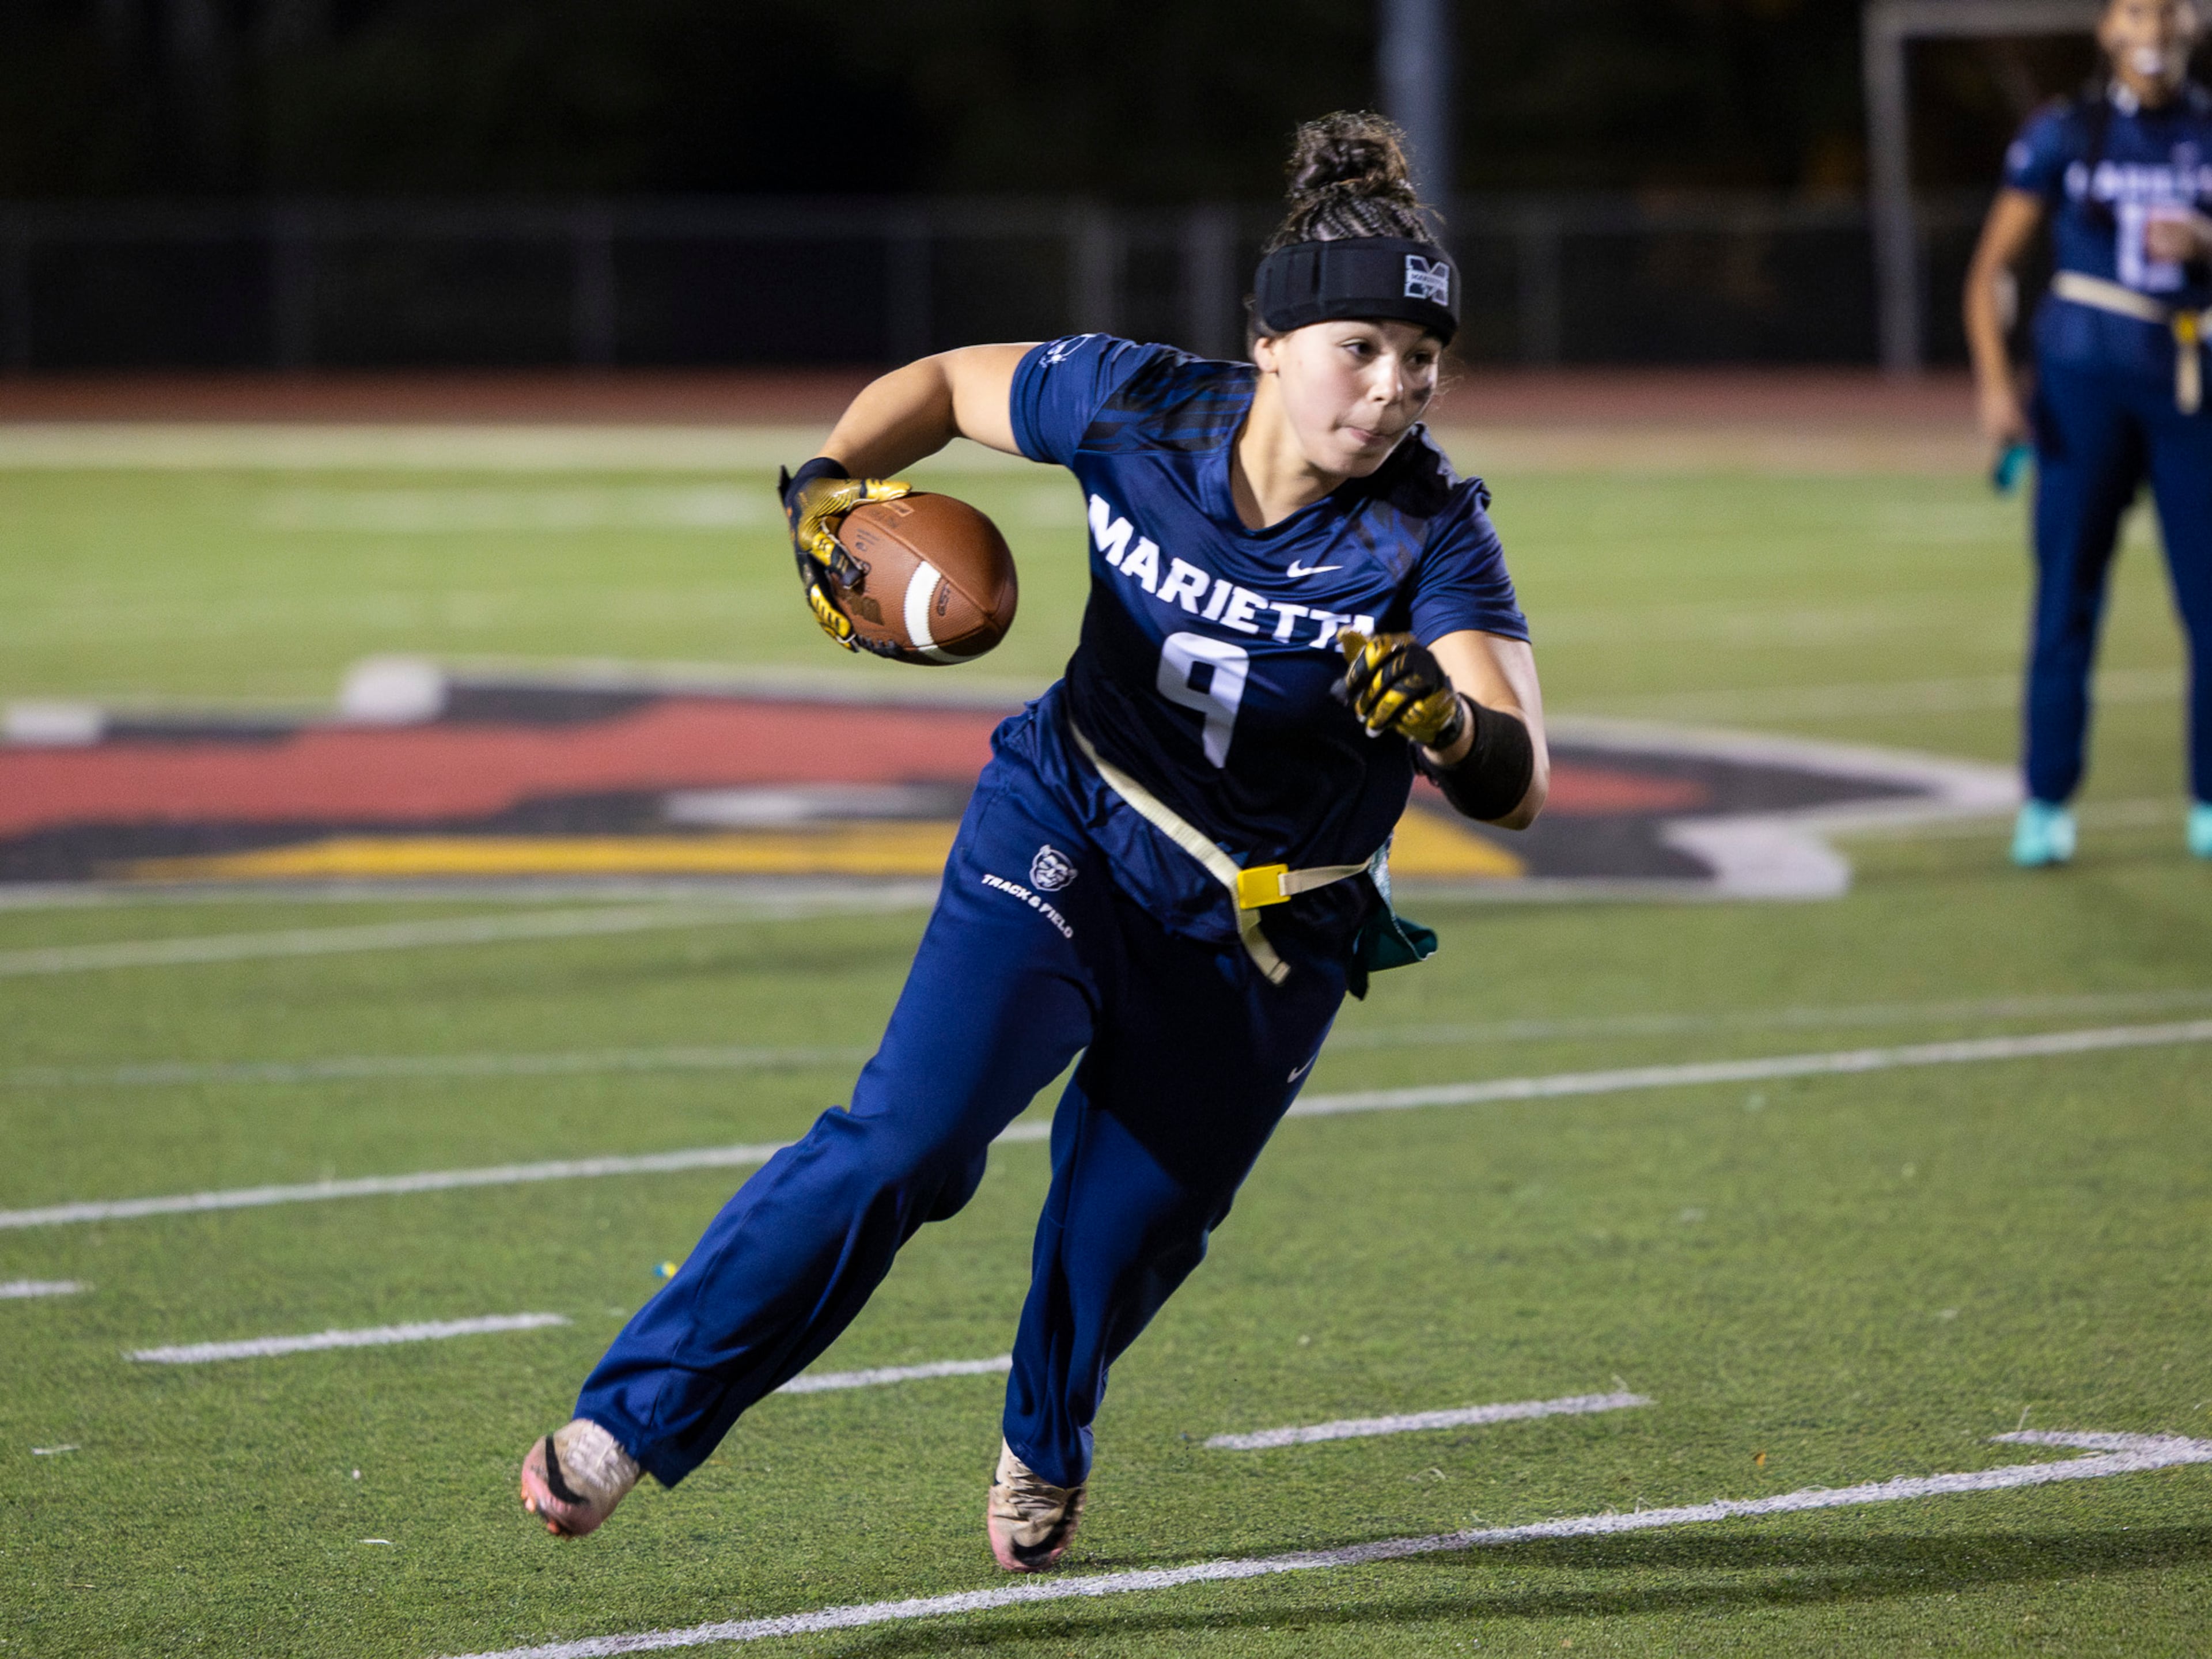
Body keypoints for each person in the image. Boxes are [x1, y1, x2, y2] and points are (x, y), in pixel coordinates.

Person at [516, 112, 1549, 1572]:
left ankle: (1044, 1435)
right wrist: (825, 485)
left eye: (1422, 364)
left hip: (1269, 923)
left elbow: (1520, 777)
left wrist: (1445, 728)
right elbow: (938, 385)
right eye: (1361, 350)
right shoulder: (1136, 403)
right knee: (908, 1141)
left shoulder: (1434, 526)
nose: (1393, 393)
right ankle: (630, 1420)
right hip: (1071, 818)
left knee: (1124, 1233)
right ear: (1271, 341)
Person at [1965, 0, 2212, 866]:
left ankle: (2210, 801)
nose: (2154, 30)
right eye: (2137, 12)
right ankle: (2047, 800)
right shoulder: (2069, 131)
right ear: (2108, 29)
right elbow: (1991, 270)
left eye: (2170, 12)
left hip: (2191, 386)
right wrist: (1998, 388)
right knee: (2067, 595)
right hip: (2082, 389)